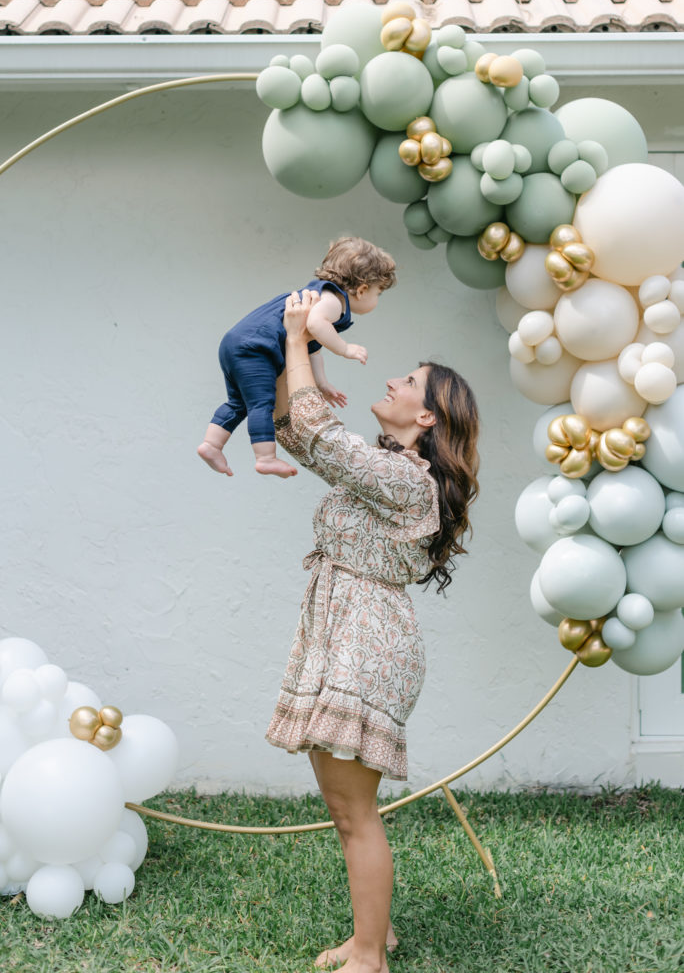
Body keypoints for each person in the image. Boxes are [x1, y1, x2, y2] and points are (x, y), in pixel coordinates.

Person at [265, 288, 480, 973]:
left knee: (355, 812)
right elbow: (301, 435)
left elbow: (322, 440)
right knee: (344, 805)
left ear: (427, 416)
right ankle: (373, 931)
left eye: (408, 381)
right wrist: (281, 347)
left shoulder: (407, 480)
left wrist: (303, 341)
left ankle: (368, 956)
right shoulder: (385, 472)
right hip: (345, 631)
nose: (390, 379)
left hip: (367, 642)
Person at [197, 236, 396, 478]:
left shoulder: (317, 294)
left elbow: (313, 346)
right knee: (262, 403)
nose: (377, 299)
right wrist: (345, 349)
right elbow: (315, 323)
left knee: (239, 403)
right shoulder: (333, 302)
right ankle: (266, 458)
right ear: (363, 289)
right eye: (379, 293)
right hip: (256, 349)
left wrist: (321, 383)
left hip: (236, 343)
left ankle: (212, 444)